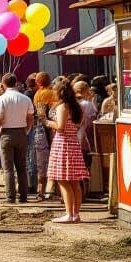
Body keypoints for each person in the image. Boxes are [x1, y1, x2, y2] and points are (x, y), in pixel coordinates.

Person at [46, 79, 89, 223]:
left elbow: (60, 127)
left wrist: (47, 122)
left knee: (63, 180)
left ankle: (69, 214)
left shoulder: (63, 107)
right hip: (73, 142)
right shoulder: (77, 107)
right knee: (75, 182)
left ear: (59, 92)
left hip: (63, 144)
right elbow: (77, 125)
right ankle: (75, 214)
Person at [0, 73, 34, 204]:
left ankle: (10, 196)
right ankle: (23, 196)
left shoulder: (2, 99)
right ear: (16, 83)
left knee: (8, 167)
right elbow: (30, 117)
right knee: (22, 166)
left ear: (3, 84)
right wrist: (27, 129)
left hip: (7, 133)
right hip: (21, 132)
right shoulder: (25, 98)